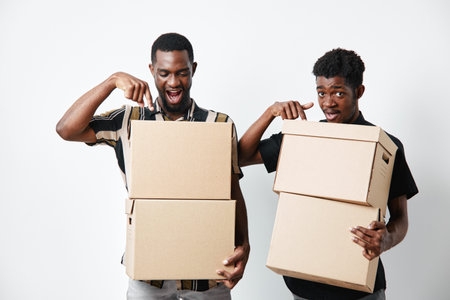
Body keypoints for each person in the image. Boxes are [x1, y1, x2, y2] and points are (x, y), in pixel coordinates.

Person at [56, 32, 250, 300]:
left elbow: (232, 189)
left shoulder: (218, 124)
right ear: (151, 71)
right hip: (149, 272)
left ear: (193, 70)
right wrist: (112, 80)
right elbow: (66, 129)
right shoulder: (128, 120)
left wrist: (245, 244)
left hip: (208, 271)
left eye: (182, 73)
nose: (173, 82)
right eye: (164, 73)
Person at [238, 48, 418, 300]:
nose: (327, 103)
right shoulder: (302, 138)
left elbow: (400, 219)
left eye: (338, 93)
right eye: (321, 93)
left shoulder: (386, 146)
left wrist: (385, 239)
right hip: (304, 287)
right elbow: (241, 158)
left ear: (360, 92)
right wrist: (271, 112)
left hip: (361, 290)